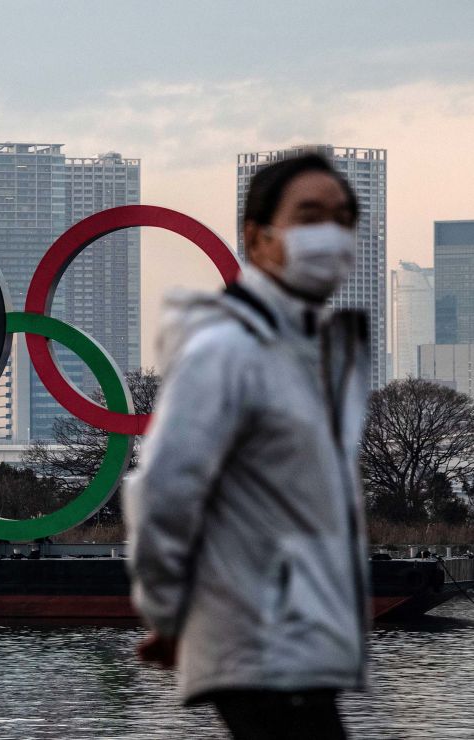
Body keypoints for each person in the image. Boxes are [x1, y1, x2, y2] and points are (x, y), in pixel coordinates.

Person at [124, 153, 369, 739]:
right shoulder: (227, 350)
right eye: (309, 215)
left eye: (342, 218)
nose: (329, 234)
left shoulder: (303, 355)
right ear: (257, 239)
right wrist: (169, 613)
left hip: (302, 645)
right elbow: (163, 487)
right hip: (262, 647)